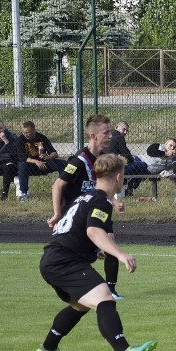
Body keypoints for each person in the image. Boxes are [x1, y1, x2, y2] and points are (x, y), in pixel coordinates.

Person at [34, 154, 157, 351]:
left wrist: (92, 251)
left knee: (79, 305)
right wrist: (119, 254)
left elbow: (75, 229)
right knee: (104, 299)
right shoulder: (102, 201)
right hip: (64, 261)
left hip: (53, 259)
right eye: (124, 175)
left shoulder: (86, 196)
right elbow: (93, 231)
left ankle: (47, 349)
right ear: (118, 176)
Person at [47, 115, 124, 301]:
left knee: (111, 244)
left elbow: (99, 188)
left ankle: (111, 289)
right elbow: (57, 186)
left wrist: (113, 201)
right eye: (106, 132)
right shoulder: (78, 162)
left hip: (98, 210)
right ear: (93, 136)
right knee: (84, 252)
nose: (111, 136)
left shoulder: (102, 160)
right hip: (78, 216)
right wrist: (57, 213)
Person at [16, 121, 67, 202]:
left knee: (63, 163)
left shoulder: (41, 138)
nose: (25, 134)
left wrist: (47, 157)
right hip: (30, 165)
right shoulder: (20, 139)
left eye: (27, 132)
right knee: (22, 165)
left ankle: (63, 189)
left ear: (33, 131)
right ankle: (24, 194)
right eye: (23, 132)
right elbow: (22, 158)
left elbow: (54, 153)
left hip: (44, 163)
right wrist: (36, 161)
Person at [101, 121, 150, 196]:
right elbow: (127, 155)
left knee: (137, 164)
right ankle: (130, 189)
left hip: (102, 167)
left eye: (127, 130)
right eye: (124, 129)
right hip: (113, 169)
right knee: (142, 165)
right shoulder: (119, 137)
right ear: (116, 127)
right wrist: (131, 160)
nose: (125, 132)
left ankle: (126, 186)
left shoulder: (104, 135)